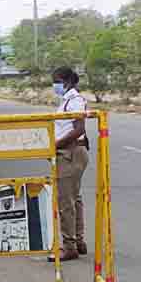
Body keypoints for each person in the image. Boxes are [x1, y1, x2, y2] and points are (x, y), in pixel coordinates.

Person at [48, 66, 90, 262]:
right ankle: (78, 241)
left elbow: (78, 128)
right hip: (70, 152)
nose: (54, 85)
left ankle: (69, 245)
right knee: (75, 199)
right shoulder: (68, 101)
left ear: (65, 82)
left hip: (70, 153)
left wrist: (55, 145)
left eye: (56, 81)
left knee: (66, 201)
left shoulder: (74, 101)